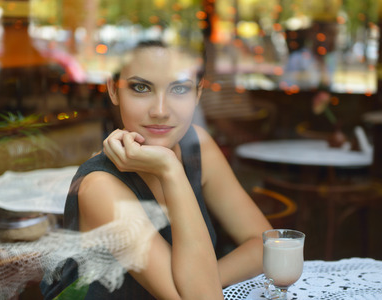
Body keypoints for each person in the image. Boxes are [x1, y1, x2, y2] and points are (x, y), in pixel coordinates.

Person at [40, 40, 272, 299]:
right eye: (141, 88)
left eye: (180, 88)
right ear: (113, 90)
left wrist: (207, 277)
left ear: (198, 93)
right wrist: (170, 169)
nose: (160, 111)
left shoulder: (198, 146)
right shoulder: (100, 186)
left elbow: (267, 246)